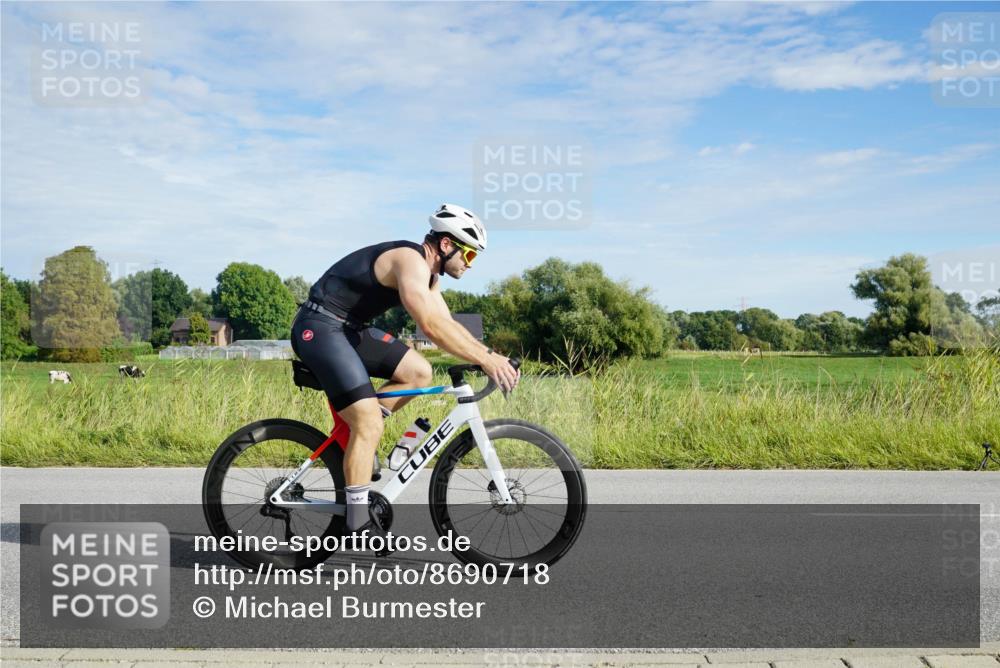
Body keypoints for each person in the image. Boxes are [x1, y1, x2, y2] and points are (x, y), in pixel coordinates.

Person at [290, 203, 520, 538]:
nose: (470, 265)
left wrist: (488, 354)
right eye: (469, 256)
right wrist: (486, 361)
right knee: (368, 422)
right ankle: (356, 520)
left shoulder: (430, 277)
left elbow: (445, 322)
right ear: (446, 245)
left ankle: (357, 441)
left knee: (419, 372)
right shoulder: (409, 260)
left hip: (349, 329)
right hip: (319, 327)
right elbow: (428, 326)